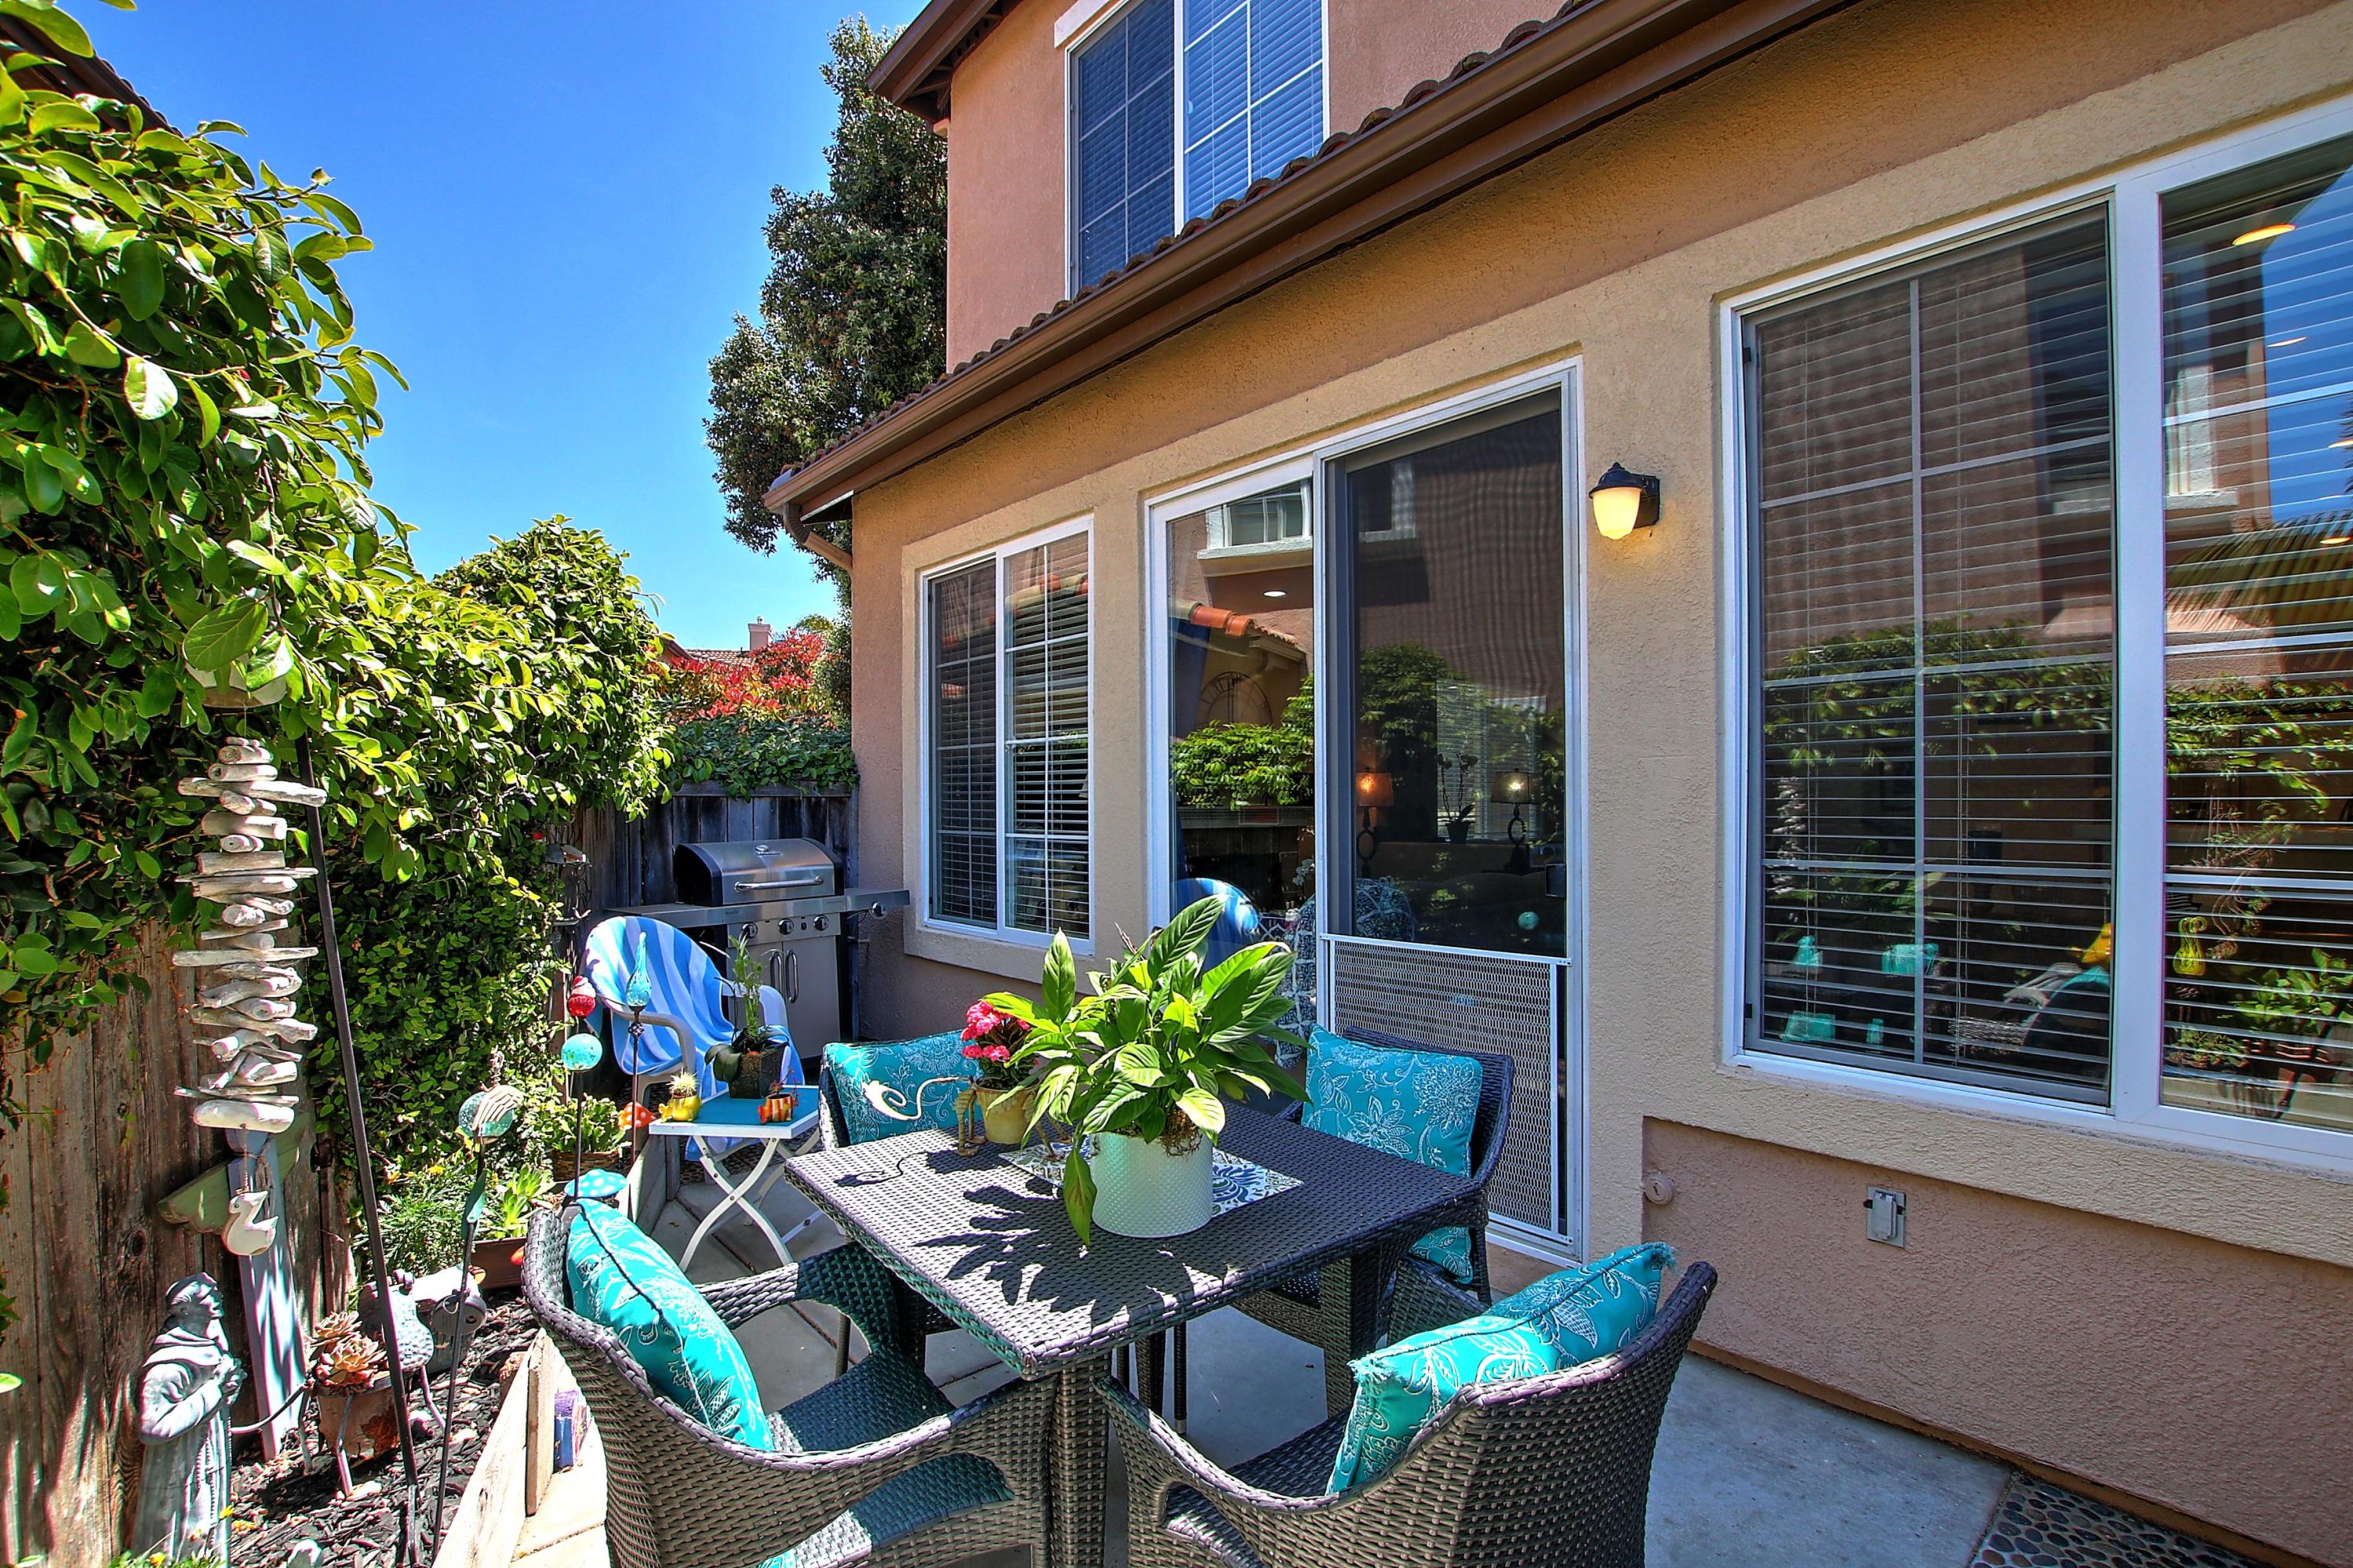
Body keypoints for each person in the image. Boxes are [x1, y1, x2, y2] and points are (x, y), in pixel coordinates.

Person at [133, 1272, 245, 1564]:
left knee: (211, 1526)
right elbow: (152, 1428)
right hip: (179, 1468)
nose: (217, 1297)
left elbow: (219, 1398)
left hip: (210, 1454)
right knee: (182, 1535)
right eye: (207, 1295)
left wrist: (228, 1389)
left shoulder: (209, 1347)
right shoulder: (169, 1367)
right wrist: (214, 1390)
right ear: (185, 1310)